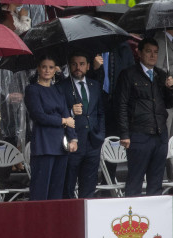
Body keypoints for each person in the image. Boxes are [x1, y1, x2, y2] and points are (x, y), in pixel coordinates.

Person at [116, 38, 173, 197]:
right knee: (135, 180)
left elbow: (168, 104)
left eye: (156, 52)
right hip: (138, 135)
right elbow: (121, 105)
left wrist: (170, 88)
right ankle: (131, 218)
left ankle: (153, 219)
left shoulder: (161, 75)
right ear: (139, 52)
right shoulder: (128, 74)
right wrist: (124, 134)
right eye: (148, 51)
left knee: (156, 182)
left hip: (159, 134)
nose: (153, 55)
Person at [24, 55, 77, 201]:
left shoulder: (58, 90)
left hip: (61, 144)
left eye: (51, 67)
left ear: (55, 70)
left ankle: (54, 222)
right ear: (38, 69)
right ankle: (37, 221)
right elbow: (39, 115)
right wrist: (62, 121)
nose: (47, 70)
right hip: (43, 143)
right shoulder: (32, 89)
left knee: (57, 190)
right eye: (44, 67)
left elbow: (68, 117)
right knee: (40, 189)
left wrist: (73, 138)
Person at [57, 52, 105, 199]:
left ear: (88, 66)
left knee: (89, 187)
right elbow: (57, 113)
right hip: (72, 143)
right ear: (69, 66)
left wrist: (101, 134)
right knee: (68, 186)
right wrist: (71, 111)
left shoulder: (95, 85)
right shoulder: (61, 87)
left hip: (93, 142)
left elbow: (100, 112)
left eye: (82, 64)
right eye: (74, 64)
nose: (78, 67)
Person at [154, 29, 173, 138]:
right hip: (166, 93)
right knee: (168, 125)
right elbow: (157, 68)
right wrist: (167, 79)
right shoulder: (161, 40)